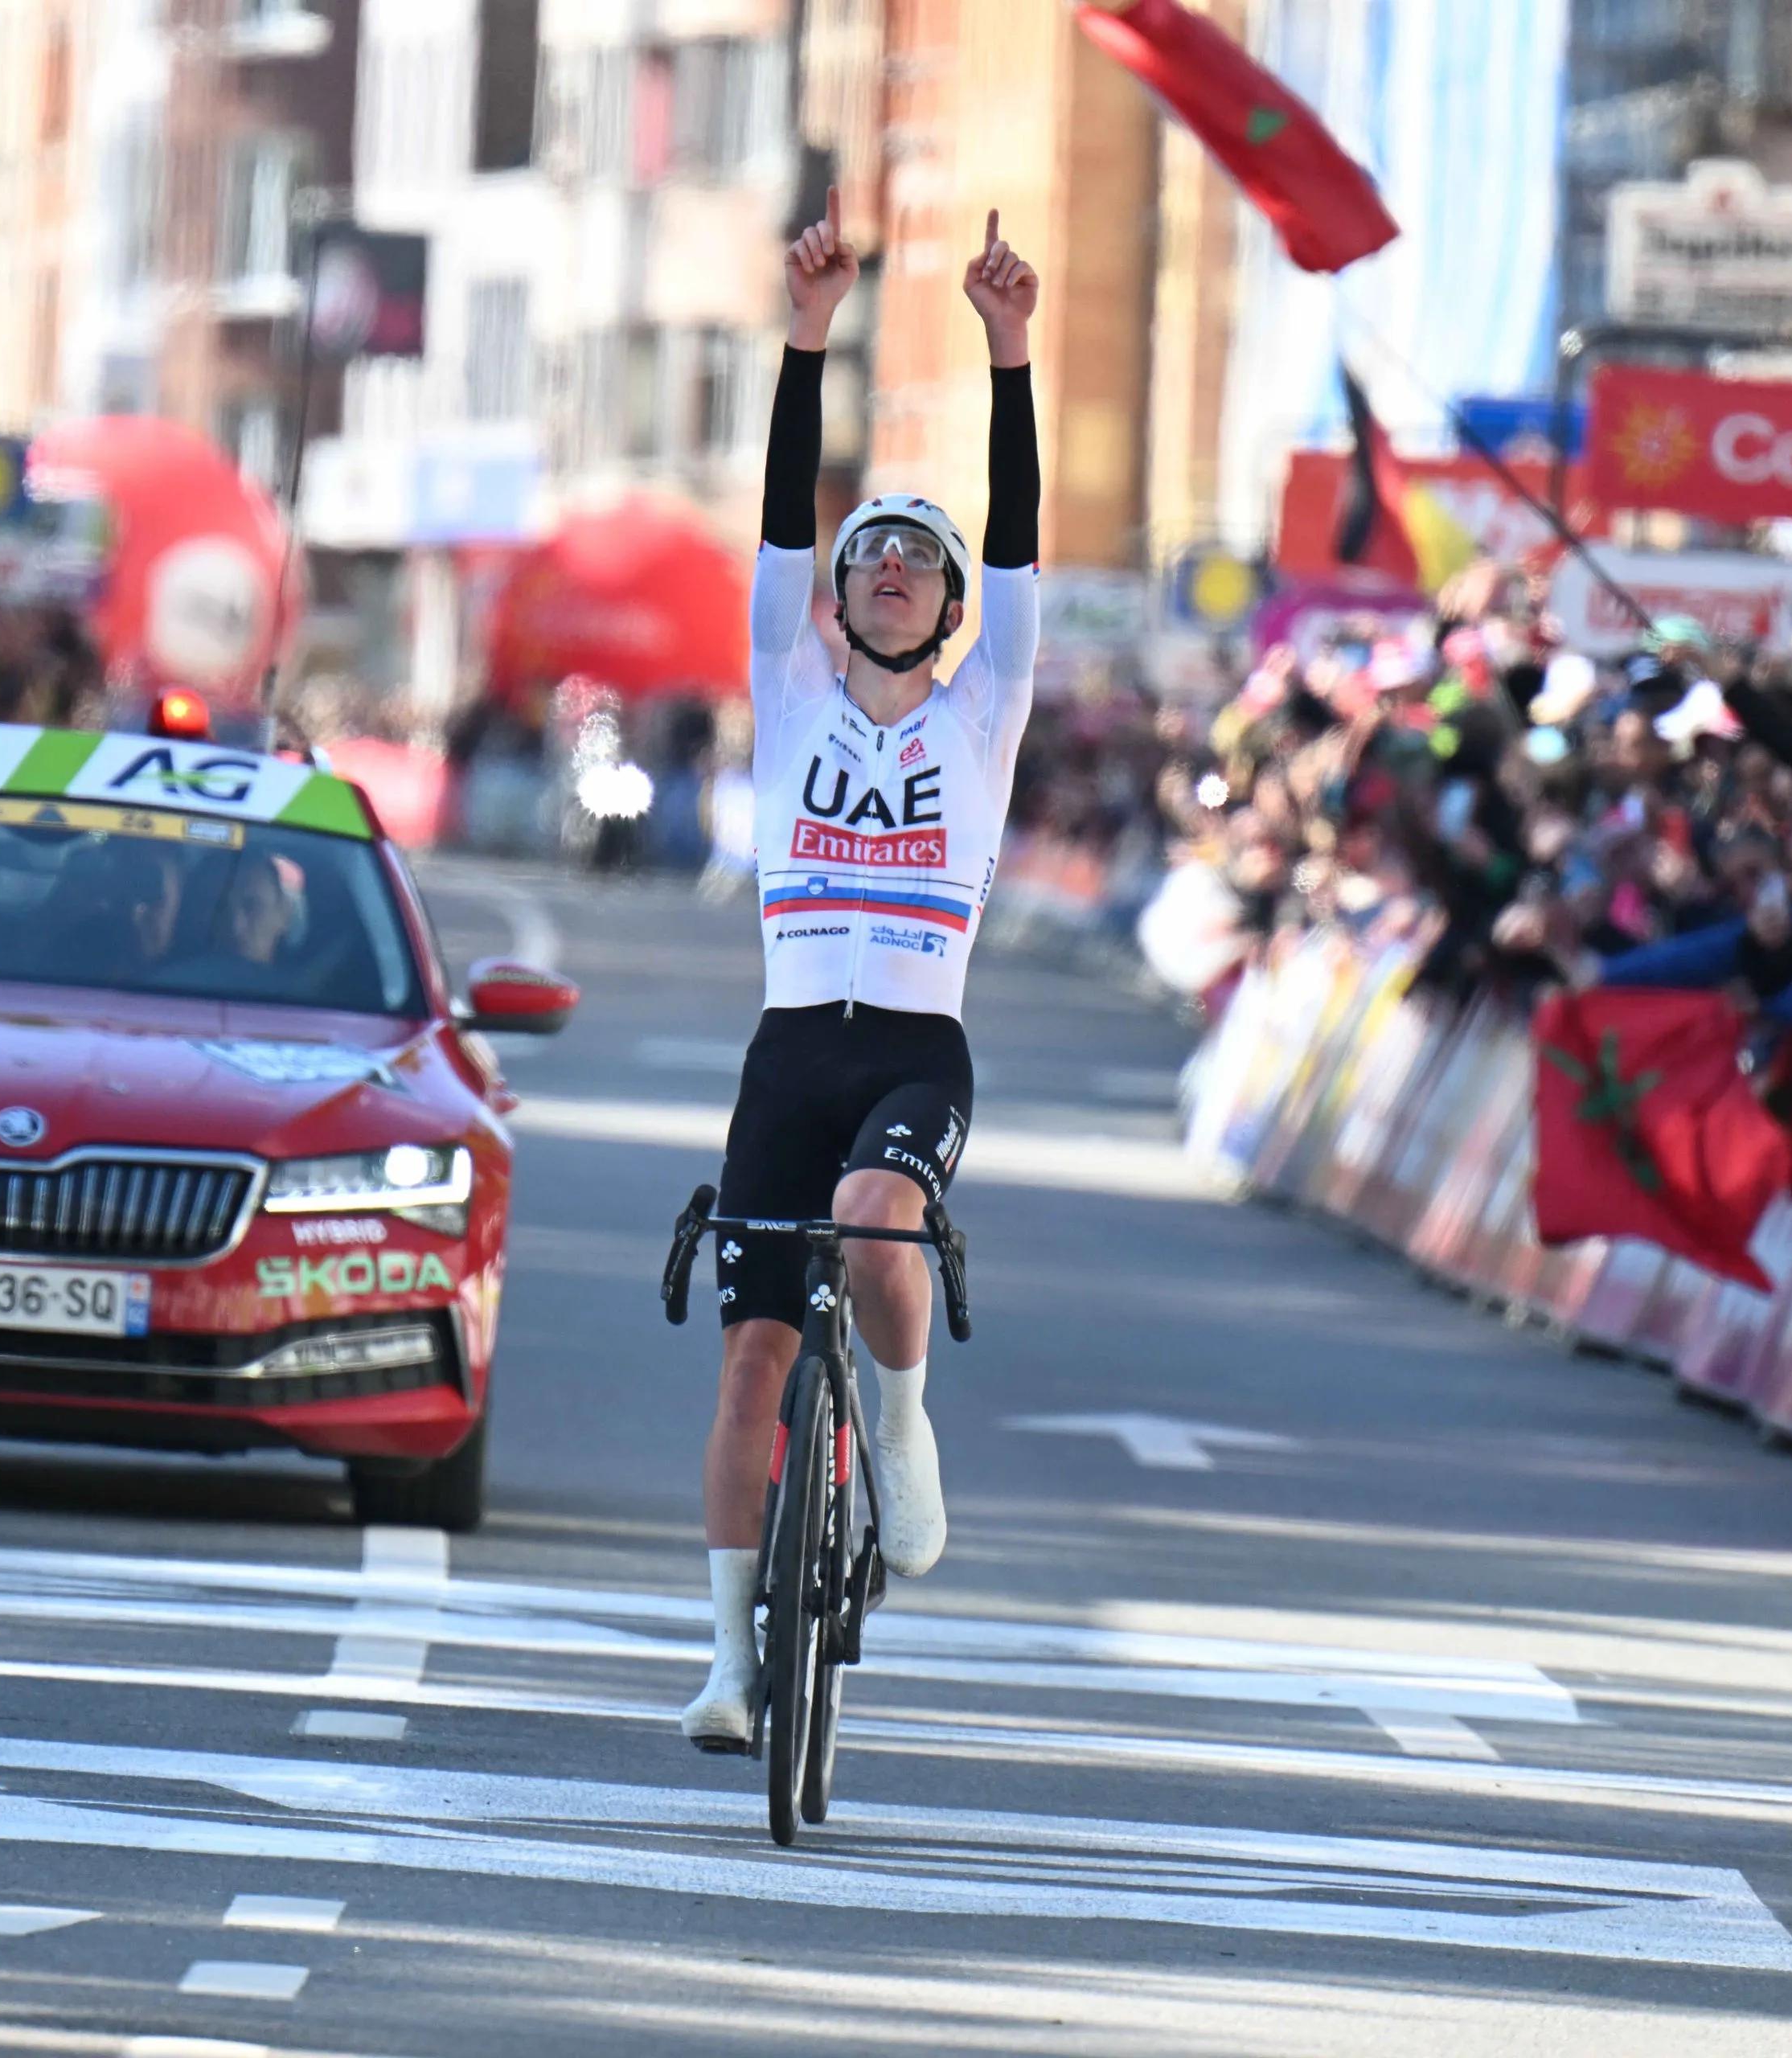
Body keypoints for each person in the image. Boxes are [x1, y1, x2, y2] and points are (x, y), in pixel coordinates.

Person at [680, 189, 1040, 1749]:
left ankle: (899, 1428)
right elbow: (773, 517)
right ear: (832, 597)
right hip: (787, 1046)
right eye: (870, 552)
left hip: (909, 1049)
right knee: (752, 1355)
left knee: (875, 1212)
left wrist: (1007, 351)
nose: (890, 567)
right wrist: (805, 334)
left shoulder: (985, 710)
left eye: (919, 561)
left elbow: (1024, 543)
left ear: (954, 612)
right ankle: (724, 1659)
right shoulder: (786, 684)